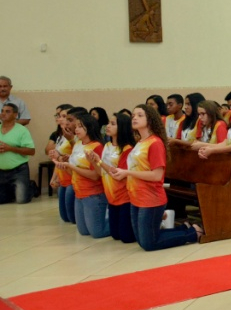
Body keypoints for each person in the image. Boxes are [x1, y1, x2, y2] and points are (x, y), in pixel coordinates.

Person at [111, 105, 201, 251]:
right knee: (142, 240)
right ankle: (185, 228)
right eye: (133, 115)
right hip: (136, 196)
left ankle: (192, 234)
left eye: (140, 115)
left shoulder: (155, 143)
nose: (134, 118)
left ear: (150, 119)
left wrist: (128, 173)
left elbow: (157, 175)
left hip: (151, 198)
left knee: (149, 243)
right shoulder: (140, 142)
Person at [89, 112, 137, 243]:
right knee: (115, 235)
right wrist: (93, 161)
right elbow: (101, 172)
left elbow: (118, 174)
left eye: (112, 124)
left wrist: (99, 162)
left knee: (126, 238)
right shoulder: (107, 146)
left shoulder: (127, 149)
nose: (108, 126)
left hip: (125, 197)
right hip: (111, 196)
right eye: (108, 123)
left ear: (121, 127)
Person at [62, 113, 109, 238]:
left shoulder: (97, 146)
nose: (76, 129)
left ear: (90, 127)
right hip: (79, 193)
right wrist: (63, 165)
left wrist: (72, 167)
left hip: (93, 194)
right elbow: (73, 173)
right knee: (83, 231)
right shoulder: (77, 144)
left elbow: (95, 175)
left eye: (80, 127)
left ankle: (121, 223)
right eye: (76, 126)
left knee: (97, 233)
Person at [0, 102, 35, 204]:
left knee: (21, 200)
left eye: (7, 111)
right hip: (1, 171)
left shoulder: (22, 130)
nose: (3, 113)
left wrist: (10, 148)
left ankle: (31, 187)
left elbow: (31, 151)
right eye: (2, 111)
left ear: (15, 115)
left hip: (18, 170)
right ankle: (11, 191)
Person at [51, 106, 81, 222]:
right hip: (62, 178)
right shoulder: (61, 137)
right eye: (60, 116)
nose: (62, 119)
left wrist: (59, 157)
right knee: (65, 217)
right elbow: (58, 160)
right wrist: (54, 177)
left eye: (66, 117)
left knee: (72, 218)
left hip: (71, 179)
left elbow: (76, 157)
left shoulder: (75, 138)